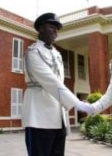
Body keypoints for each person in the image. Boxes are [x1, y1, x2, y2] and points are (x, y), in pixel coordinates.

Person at [23, 12, 94, 156]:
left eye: (57, 28)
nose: (55, 31)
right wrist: (76, 103)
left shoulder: (57, 54)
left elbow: (59, 83)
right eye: (52, 26)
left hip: (58, 117)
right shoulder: (33, 52)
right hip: (39, 116)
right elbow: (51, 81)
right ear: (41, 28)